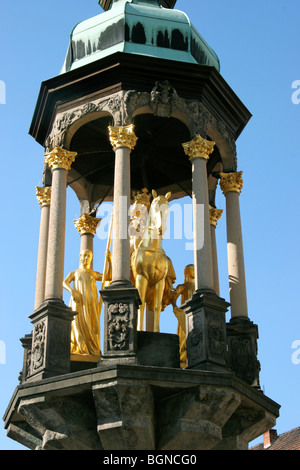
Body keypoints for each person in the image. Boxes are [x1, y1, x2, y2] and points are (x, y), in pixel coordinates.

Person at [63, 249, 102, 358]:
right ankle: (80, 347)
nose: (85, 258)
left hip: (90, 303)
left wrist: (110, 260)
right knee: (77, 322)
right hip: (78, 301)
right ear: (80, 257)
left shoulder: (93, 273)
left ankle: (91, 349)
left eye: (88, 256)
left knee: (90, 323)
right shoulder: (75, 272)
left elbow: (107, 277)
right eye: (84, 256)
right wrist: (72, 291)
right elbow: (64, 282)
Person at [171, 264, 195, 368]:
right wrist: (175, 307)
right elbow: (174, 296)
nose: (194, 272)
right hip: (185, 315)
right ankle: (183, 361)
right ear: (187, 272)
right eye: (192, 270)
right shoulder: (183, 286)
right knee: (184, 338)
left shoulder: (198, 287)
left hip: (195, 315)